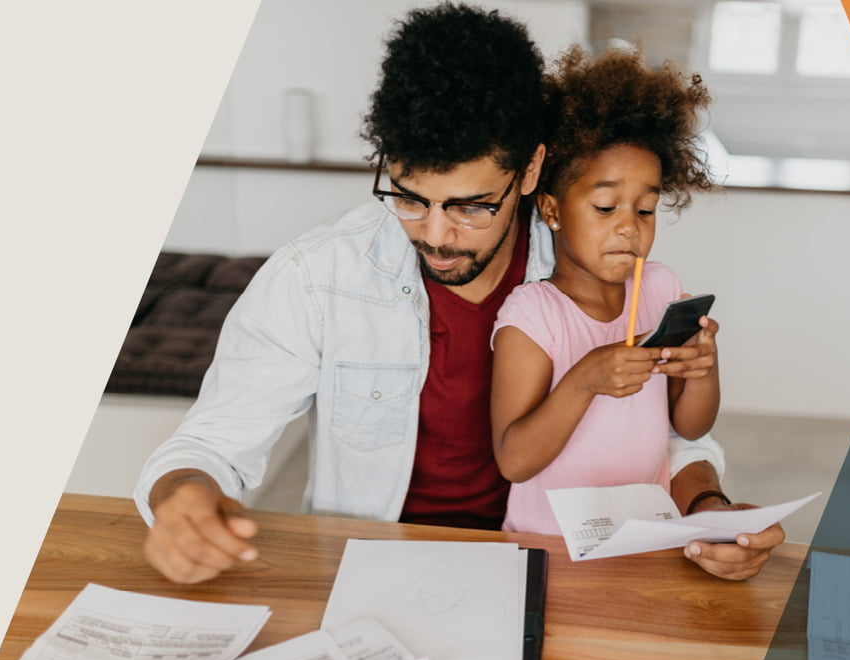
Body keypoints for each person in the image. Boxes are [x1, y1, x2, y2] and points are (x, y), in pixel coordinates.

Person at [135, 2, 782, 584]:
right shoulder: (318, 275)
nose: (437, 234)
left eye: (471, 206)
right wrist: (183, 497)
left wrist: (709, 510)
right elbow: (211, 443)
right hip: (375, 561)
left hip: (556, 561)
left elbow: (661, 430)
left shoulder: (595, 266)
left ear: (530, 171)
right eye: (410, 197)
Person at [492, 46, 720, 537]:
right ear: (552, 211)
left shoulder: (661, 287)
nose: (628, 228)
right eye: (604, 207)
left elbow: (691, 427)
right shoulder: (532, 314)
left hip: (642, 530)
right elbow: (514, 460)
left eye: (644, 210)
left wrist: (704, 367)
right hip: (548, 540)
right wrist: (583, 380)